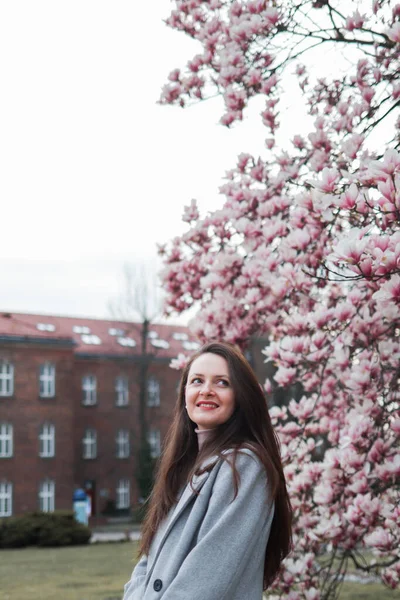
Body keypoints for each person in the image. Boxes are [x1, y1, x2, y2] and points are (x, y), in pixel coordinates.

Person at [123, 341, 292, 600]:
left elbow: (208, 577)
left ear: (240, 396)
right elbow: (149, 561)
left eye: (222, 383)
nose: (207, 391)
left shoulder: (243, 465)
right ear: (184, 394)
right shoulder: (184, 466)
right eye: (197, 381)